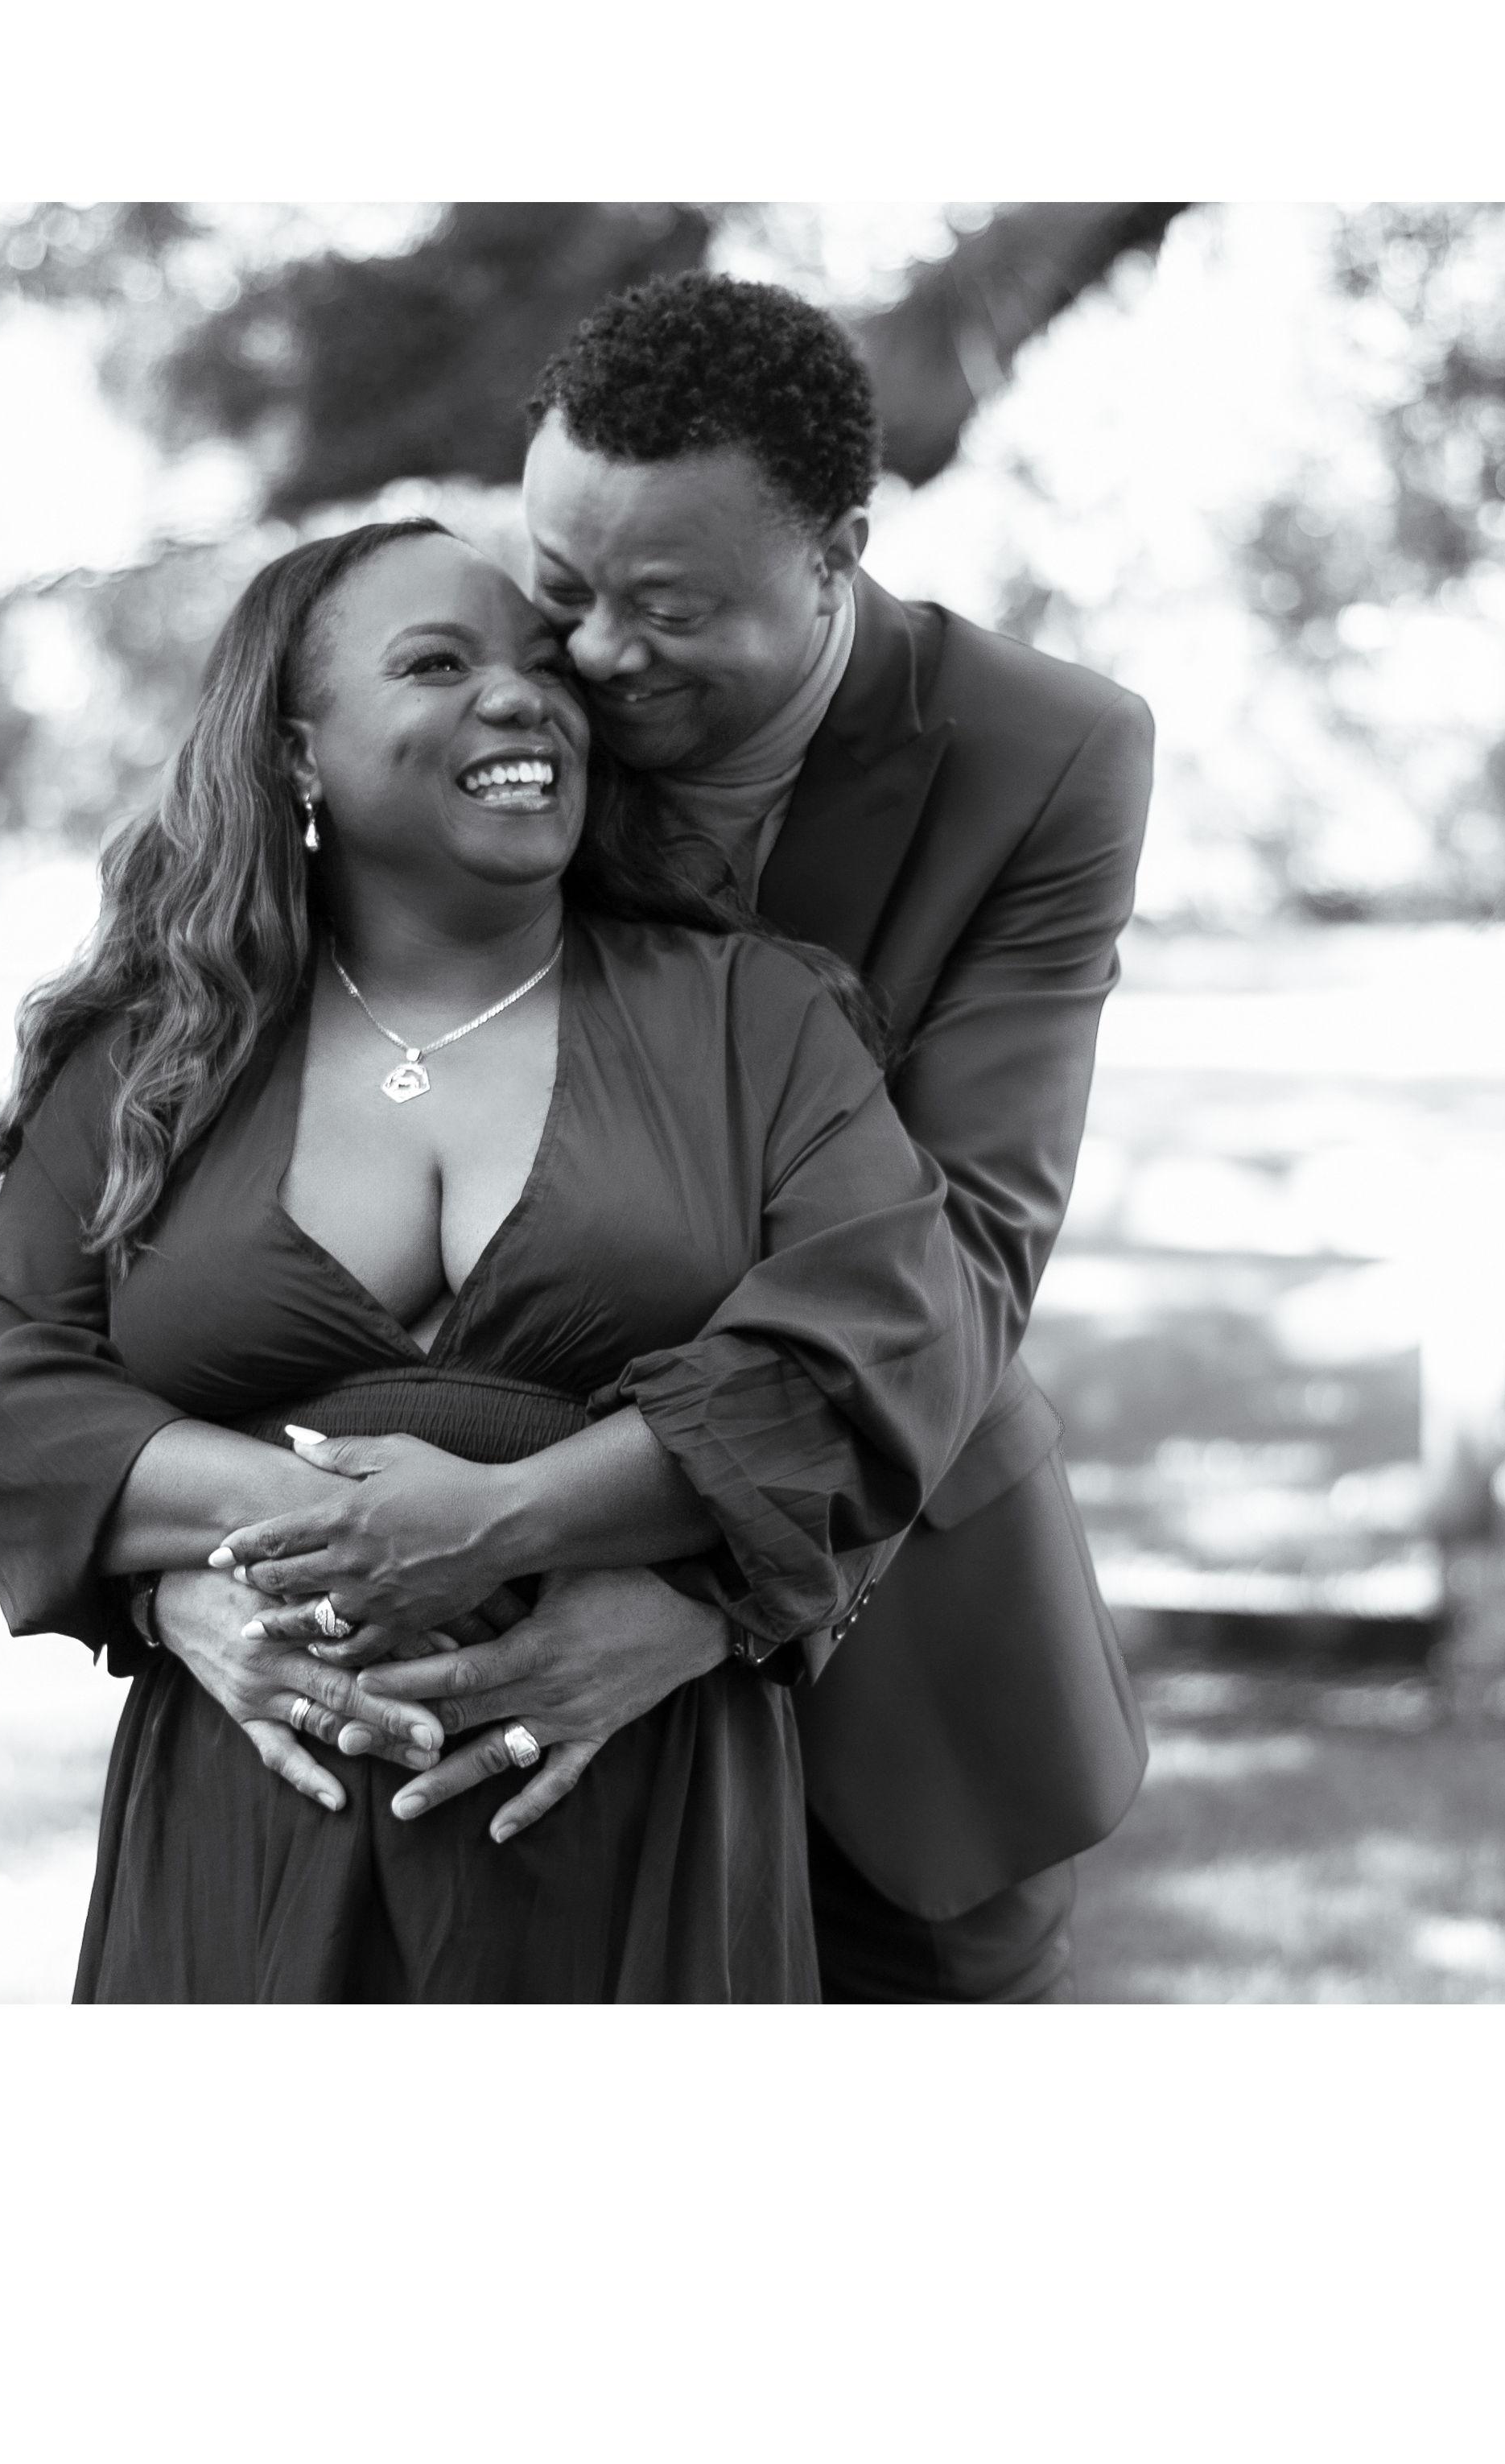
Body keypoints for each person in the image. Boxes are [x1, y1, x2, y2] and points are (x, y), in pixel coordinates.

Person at [0, 518, 975, 2001]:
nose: (522, 695)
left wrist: (506, 1521)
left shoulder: (752, 1019)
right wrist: (238, 1556)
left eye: (543, 665)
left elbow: (876, 1351)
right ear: (295, 751)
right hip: (246, 1829)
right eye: (436, 663)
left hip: (635, 1818)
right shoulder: (158, 1053)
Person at [323, 273, 1157, 2002]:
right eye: (561, 583)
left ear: (835, 554)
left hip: (892, 1666)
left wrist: (712, 1600)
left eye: (667, 608)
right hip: (469, 1714)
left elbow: (962, 1250)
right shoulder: (478, 709)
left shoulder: (1044, 754)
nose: (590, 658)